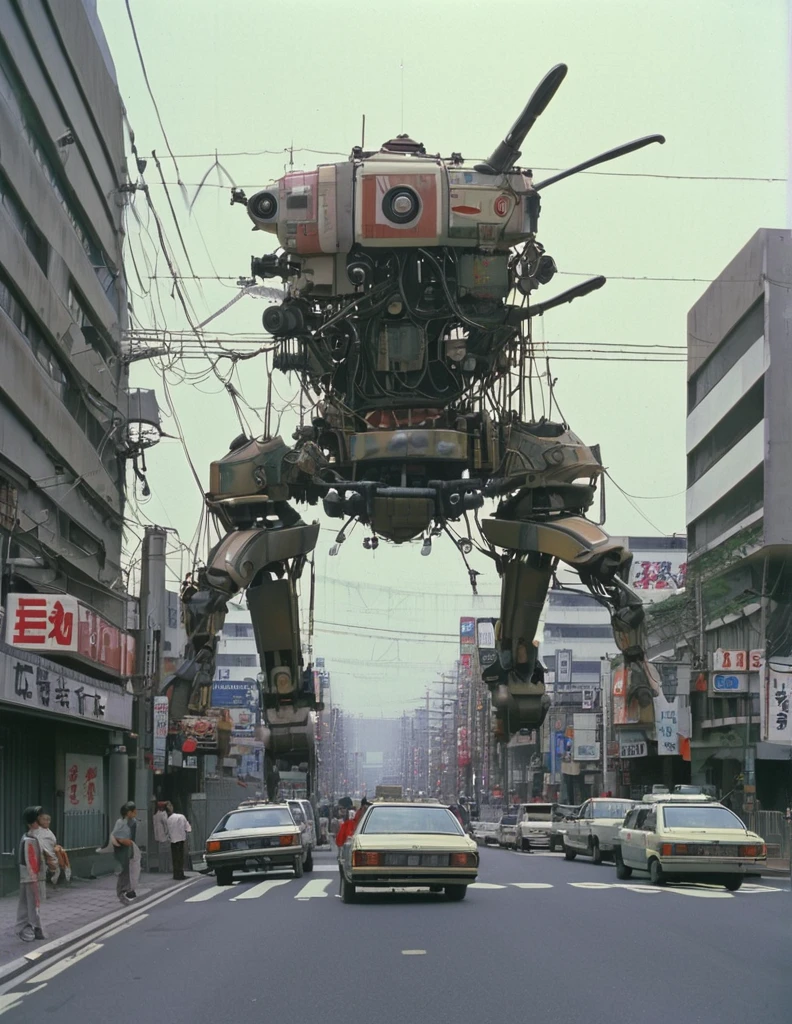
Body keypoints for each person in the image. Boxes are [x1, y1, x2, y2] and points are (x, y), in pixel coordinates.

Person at [16, 806, 46, 942]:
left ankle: (27, 927)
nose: (42, 818)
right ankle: (34, 928)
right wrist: (34, 876)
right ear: (34, 820)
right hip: (31, 877)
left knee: (27, 902)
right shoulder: (30, 839)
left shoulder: (30, 836)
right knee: (33, 903)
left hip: (29, 876)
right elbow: (31, 860)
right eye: (39, 816)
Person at [111, 801, 138, 904]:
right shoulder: (120, 822)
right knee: (123, 871)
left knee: (130, 870)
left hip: (129, 848)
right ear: (128, 812)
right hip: (121, 849)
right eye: (133, 810)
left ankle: (129, 890)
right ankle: (121, 892)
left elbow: (132, 837)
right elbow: (116, 836)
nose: (136, 812)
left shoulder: (133, 822)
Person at [37, 812, 71, 886]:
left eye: (48, 820)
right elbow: (42, 845)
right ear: (39, 820)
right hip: (47, 855)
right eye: (44, 819)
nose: (47, 821)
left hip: (53, 852)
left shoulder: (48, 831)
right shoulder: (39, 831)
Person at [166, 802, 192, 880]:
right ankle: (180, 874)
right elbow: (188, 829)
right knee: (180, 857)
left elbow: (167, 831)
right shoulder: (182, 817)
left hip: (173, 841)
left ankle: (175, 874)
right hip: (180, 840)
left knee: (175, 858)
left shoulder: (169, 819)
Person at [152, 801, 172, 874]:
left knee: (161, 855)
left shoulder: (155, 815)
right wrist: (168, 834)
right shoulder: (163, 814)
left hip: (158, 838)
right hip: (165, 837)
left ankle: (162, 869)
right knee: (168, 854)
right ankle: (168, 868)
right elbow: (166, 824)